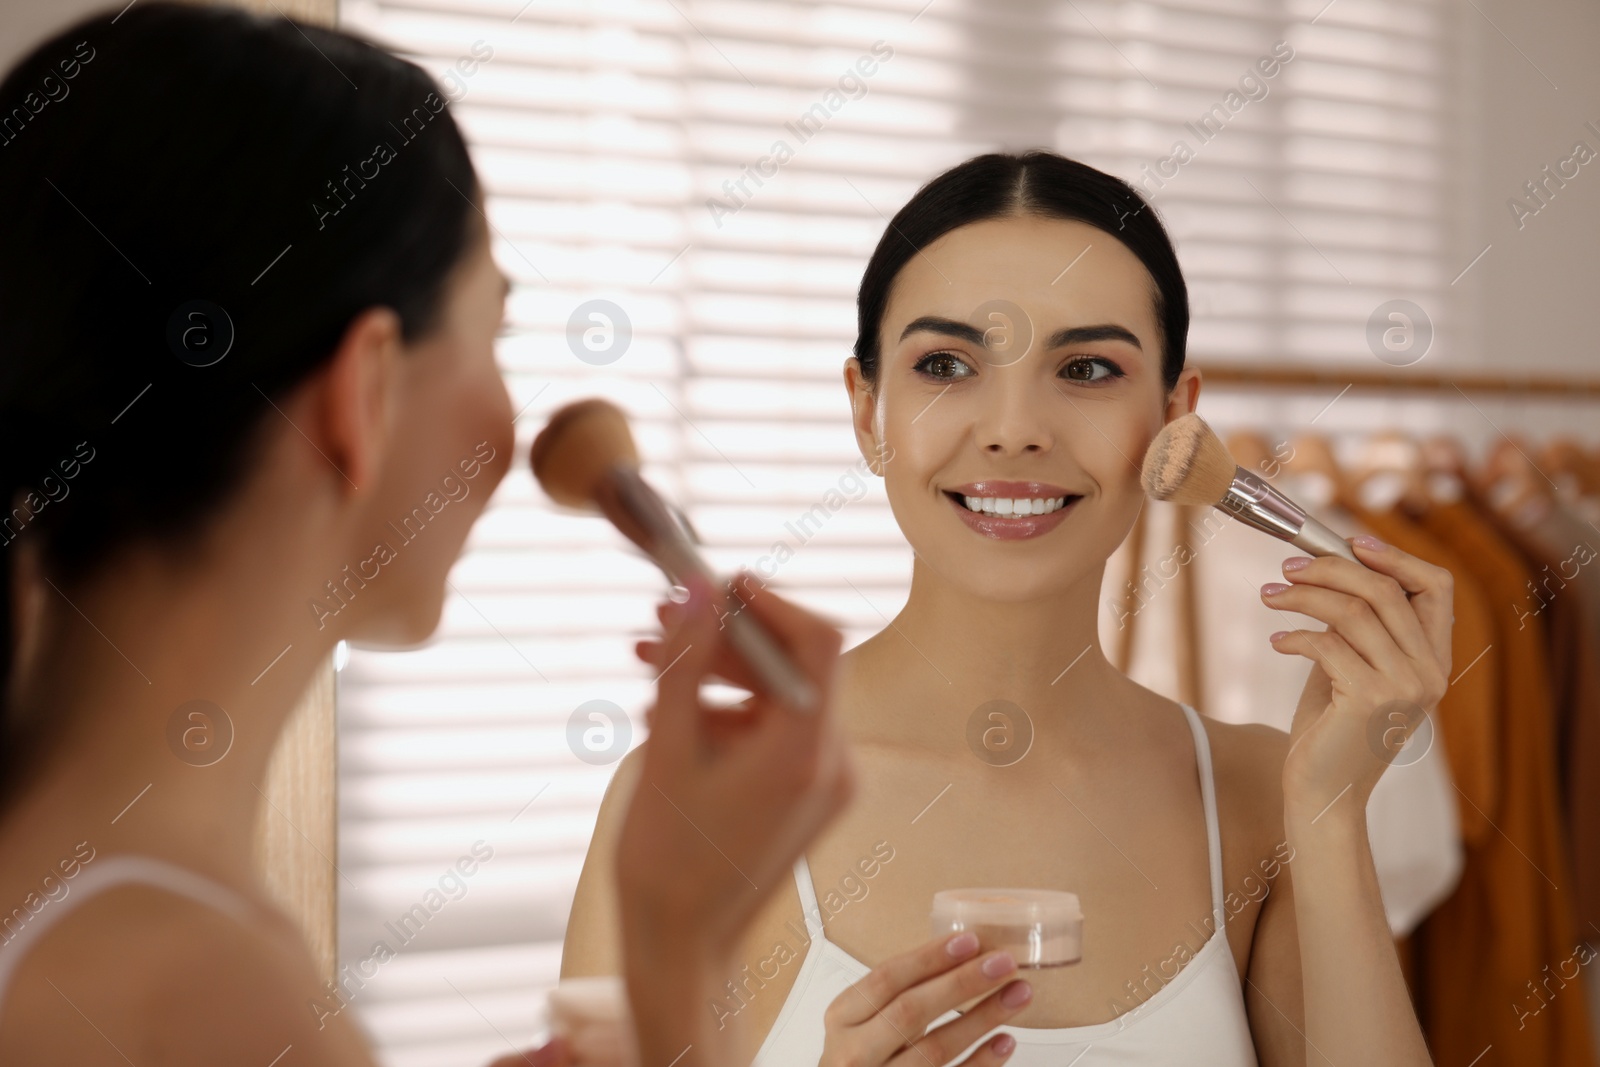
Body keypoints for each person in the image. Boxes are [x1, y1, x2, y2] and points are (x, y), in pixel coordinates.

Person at [0, 6, 870, 1065]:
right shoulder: (199, 989)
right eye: (489, 331)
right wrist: (681, 946)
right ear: (364, 388)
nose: (519, 428)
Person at [564, 152, 1453, 1066]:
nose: (1014, 426)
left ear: (1175, 420)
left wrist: (1332, 811)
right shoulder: (692, 807)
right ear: (868, 411)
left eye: (1089, 368)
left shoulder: (1263, 797)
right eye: (947, 363)